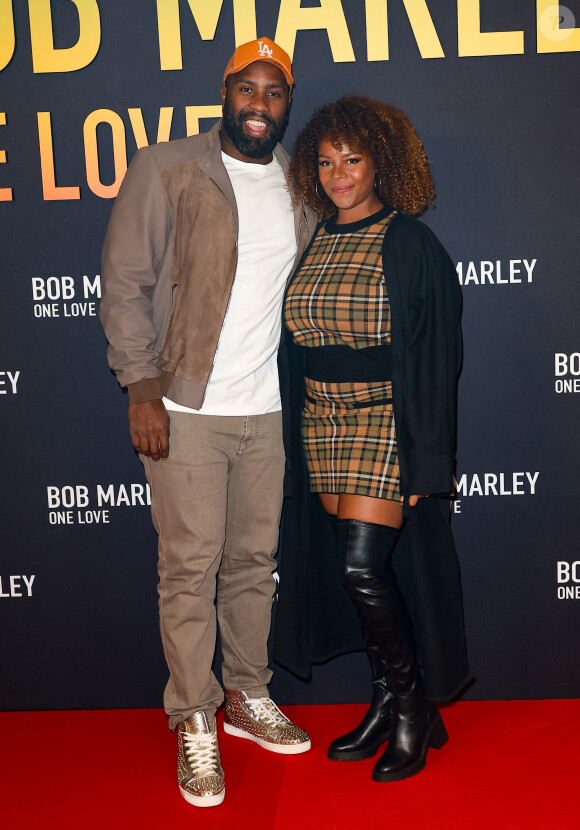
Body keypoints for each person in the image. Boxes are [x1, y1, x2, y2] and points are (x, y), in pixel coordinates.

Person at [100, 38, 317, 808]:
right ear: (224, 91)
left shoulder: (299, 182)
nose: (260, 105)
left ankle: (248, 696)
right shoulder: (168, 168)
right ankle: (195, 715)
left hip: (266, 409)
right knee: (189, 572)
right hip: (187, 411)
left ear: (288, 102)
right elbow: (125, 284)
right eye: (247, 89)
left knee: (254, 564)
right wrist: (141, 388)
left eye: (275, 93)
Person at [279, 95, 470, 782]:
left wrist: (429, 457)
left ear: (380, 162)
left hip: (384, 422)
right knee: (360, 577)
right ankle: (387, 698)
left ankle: (414, 707)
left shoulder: (411, 243)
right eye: (326, 162)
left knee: (363, 568)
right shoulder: (317, 238)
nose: (338, 174)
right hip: (320, 423)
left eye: (352, 160)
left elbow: (435, 356)